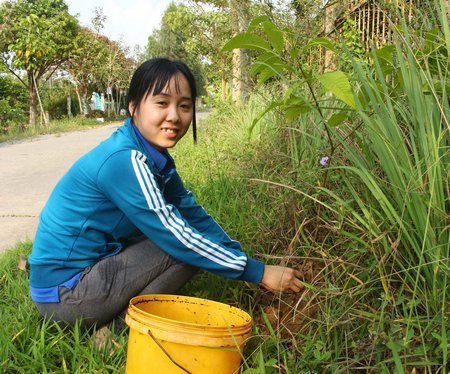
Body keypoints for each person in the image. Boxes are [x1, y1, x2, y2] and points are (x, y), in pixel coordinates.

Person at [28, 58, 304, 330]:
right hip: (66, 294)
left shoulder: (153, 157)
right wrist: (258, 272)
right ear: (133, 106)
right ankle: (119, 329)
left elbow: (191, 212)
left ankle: (123, 320)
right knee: (183, 244)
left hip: (77, 280)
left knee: (191, 236)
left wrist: (240, 259)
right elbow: (179, 235)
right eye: (161, 103)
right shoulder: (124, 159)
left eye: (184, 106)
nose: (174, 116)